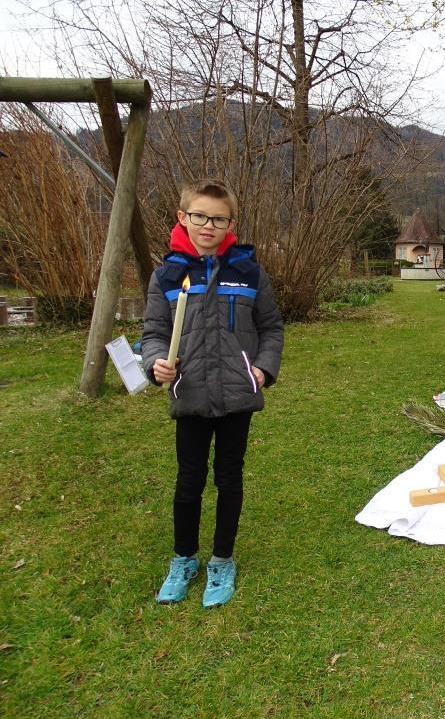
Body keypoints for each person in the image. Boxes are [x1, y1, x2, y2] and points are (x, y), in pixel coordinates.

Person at [142, 178, 284, 607]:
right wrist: (156, 363)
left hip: (237, 396)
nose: (209, 225)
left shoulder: (248, 272)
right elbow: (154, 333)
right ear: (183, 217)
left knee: (229, 477)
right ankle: (184, 559)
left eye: (219, 219)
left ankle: (222, 559)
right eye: (200, 216)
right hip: (190, 394)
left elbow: (271, 328)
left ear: (230, 224)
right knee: (189, 481)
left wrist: (262, 369)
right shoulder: (167, 275)